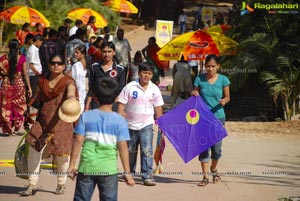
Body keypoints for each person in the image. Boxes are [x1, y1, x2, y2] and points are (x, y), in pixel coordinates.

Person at [68, 77, 135, 201]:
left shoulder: (85, 116)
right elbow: (123, 147)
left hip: (87, 168)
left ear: (95, 97)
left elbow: (78, 140)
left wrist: (72, 164)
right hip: (108, 170)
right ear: (116, 98)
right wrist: (127, 172)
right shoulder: (119, 120)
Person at [21, 53, 78, 196]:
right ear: (48, 64)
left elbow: (71, 90)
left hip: (61, 122)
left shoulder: (68, 81)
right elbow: (35, 98)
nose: (56, 65)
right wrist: (28, 112)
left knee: (62, 154)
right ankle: (32, 184)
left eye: (59, 63)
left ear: (64, 66)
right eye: (53, 63)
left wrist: (71, 97)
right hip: (43, 120)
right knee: (34, 148)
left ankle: (61, 184)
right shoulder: (42, 81)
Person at [118, 62, 164, 186]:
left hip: (147, 124)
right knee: (131, 150)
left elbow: (158, 107)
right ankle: (129, 173)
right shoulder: (130, 87)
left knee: (147, 150)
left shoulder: (154, 89)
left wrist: (161, 124)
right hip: (130, 125)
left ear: (152, 75)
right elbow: (121, 104)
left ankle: (147, 176)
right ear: (139, 73)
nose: (146, 76)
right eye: (144, 73)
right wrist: (120, 119)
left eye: (149, 74)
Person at [191, 54, 230, 186]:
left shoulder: (224, 80)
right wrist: (194, 93)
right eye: (208, 66)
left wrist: (224, 100)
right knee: (204, 147)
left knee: (217, 149)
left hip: (218, 117)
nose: (210, 69)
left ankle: (214, 169)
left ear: (218, 66)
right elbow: (194, 93)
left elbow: (228, 97)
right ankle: (205, 176)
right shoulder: (199, 79)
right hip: (202, 118)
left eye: (213, 66)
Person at [0, 39, 32, 136]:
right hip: (18, 84)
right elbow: (25, 74)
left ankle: (8, 127)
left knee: (7, 105)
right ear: (18, 47)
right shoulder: (22, 58)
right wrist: (29, 87)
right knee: (19, 106)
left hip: (6, 84)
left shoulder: (3, 59)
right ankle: (16, 127)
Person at [85, 41, 126, 111]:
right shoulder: (94, 67)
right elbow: (91, 88)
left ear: (114, 52)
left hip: (113, 106)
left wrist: (119, 108)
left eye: (109, 51)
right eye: (104, 52)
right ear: (101, 52)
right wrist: (86, 107)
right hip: (96, 105)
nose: (106, 54)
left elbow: (121, 90)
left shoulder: (120, 69)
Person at [69, 45, 87, 113]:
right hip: (85, 91)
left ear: (83, 54)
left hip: (79, 92)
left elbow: (76, 80)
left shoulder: (76, 65)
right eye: (75, 52)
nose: (75, 54)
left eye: (77, 53)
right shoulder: (86, 63)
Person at [26, 34, 43, 103]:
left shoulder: (33, 49)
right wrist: (37, 73)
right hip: (33, 75)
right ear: (38, 41)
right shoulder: (33, 50)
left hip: (34, 74)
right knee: (33, 94)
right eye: (41, 42)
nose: (41, 44)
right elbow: (31, 64)